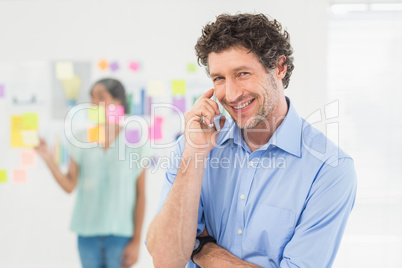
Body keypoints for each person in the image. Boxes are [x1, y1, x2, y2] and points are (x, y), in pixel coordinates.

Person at [146, 13, 357, 268]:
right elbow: (166, 260)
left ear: (279, 67)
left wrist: (203, 249)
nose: (232, 94)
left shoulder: (329, 168)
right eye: (219, 78)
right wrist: (194, 154)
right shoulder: (193, 146)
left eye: (243, 73)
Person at [35, 78, 149, 268]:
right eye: (92, 97)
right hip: (86, 235)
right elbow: (69, 185)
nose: (94, 103)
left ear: (118, 101)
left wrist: (137, 241)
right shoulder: (80, 139)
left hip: (121, 236)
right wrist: (48, 159)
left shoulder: (135, 142)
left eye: (101, 97)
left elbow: (141, 196)